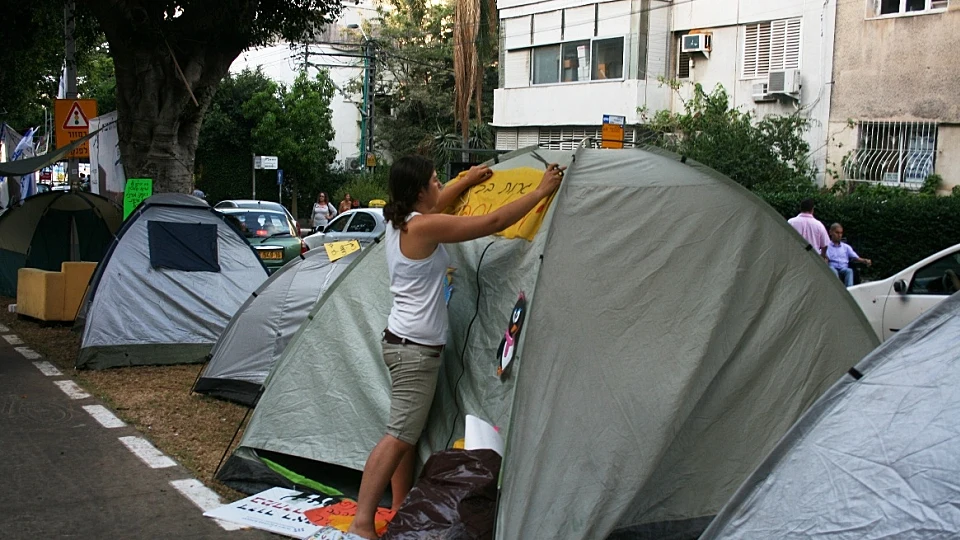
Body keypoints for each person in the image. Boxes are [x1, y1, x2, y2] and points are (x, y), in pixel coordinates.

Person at [347, 156, 565, 539]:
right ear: (419, 192)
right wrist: (541, 191)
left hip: (402, 341)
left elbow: (443, 202)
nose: (439, 184)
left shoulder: (400, 223)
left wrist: (466, 182)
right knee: (398, 434)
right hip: (414, 349)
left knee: (406, 435)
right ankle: (362, 522)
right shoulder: (425, 226)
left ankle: (399, 506)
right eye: (434, 180)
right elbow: (492, 222)